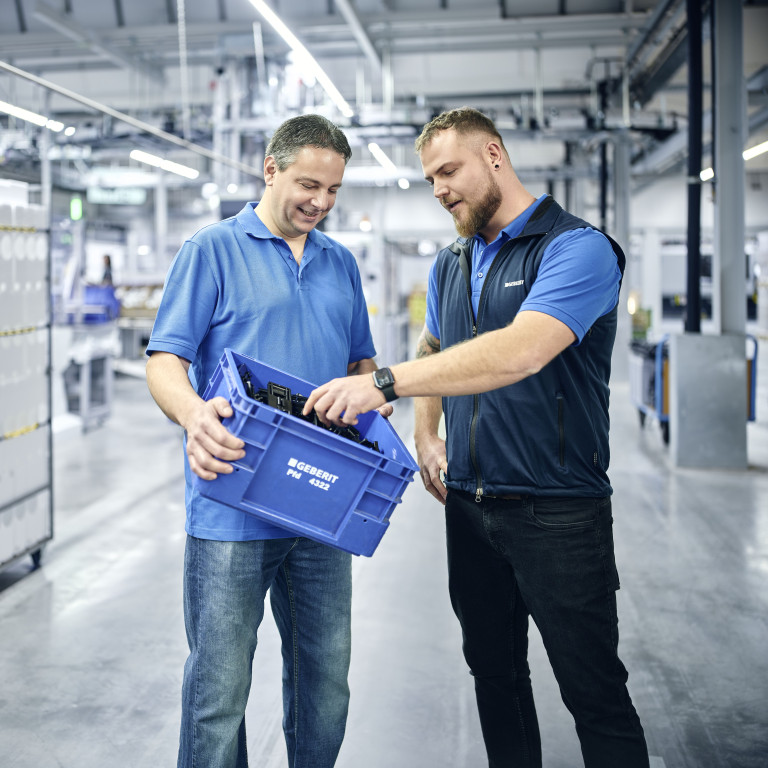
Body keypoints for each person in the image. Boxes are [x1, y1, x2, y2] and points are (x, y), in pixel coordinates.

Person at [303, 107, 650, 767]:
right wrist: (427, 429)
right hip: (467, 506)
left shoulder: (577, 249)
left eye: (448, 171)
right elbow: (438, 344)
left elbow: (520, 351)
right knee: (494, 675)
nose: (439, 190)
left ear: (494, 155)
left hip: (557, 511)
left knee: (593, 690)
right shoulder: (451, 262)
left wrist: (386, 384)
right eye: (430, 178)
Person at [145, 114, 390, 768]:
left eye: (334, 190)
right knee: (218, 690)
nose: (321, 202)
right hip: (232, 506)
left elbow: (361, 367)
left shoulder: (341, 264)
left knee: (325, 682)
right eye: (309, 183)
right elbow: (164, 360)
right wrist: (195, 415)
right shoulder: (212, 250)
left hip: (321, 507)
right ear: (271, 169)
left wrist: (382, 408)